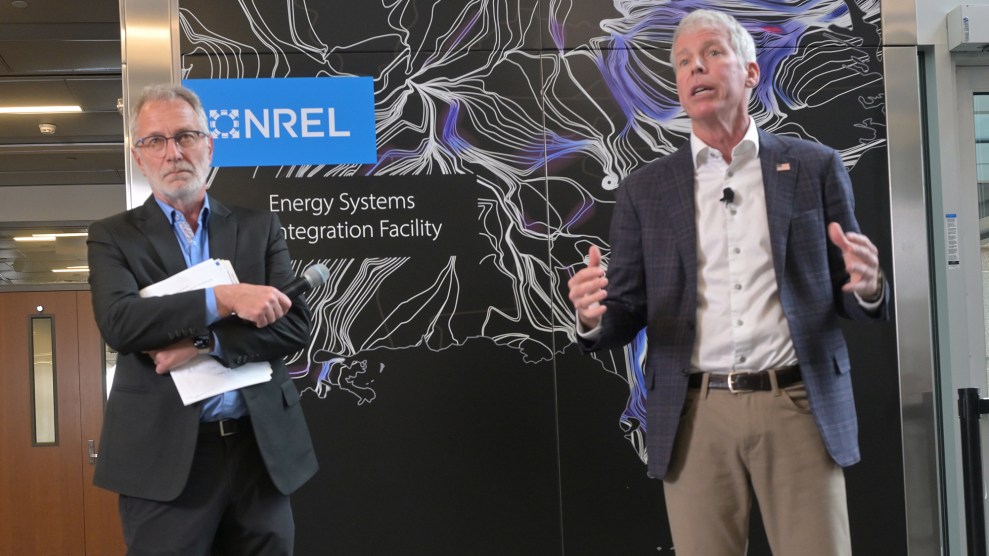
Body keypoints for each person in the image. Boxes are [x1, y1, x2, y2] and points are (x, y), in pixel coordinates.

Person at [567, 9, 889, 556]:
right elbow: (626, 310)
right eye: (684, 62)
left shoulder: (814, 166)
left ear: (750, 72)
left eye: (713, 53)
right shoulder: (646, 189)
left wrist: (868, 285)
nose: (696, 68)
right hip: (694, 416)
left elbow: (850, 287)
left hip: (797, 403)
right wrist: (592, 316)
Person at [88, 83, 318, 555]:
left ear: (209, 147)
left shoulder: (258, 227)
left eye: (185, 136)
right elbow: (121, 324)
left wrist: (205, 343)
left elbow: (294, 326)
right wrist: (224, 297)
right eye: (155, 140)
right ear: (138, 157)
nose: (173, 152)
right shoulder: (112, 236)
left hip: (259, 452)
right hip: (165, 461)